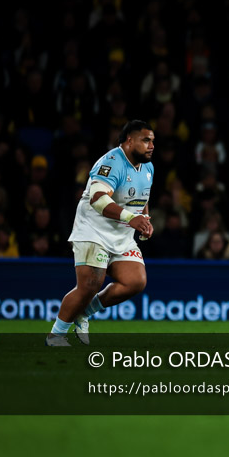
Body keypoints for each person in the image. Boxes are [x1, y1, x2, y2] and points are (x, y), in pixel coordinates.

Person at [47, 120, 156, 346]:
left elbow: (142, 198)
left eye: (153, 141)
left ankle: (85, 312)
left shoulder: (148, 167)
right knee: (90, 284)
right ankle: (56, 335)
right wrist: (131, 218)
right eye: (146, 140)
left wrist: (144, 220)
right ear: (129, 141)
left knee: (135, 281)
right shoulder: (111, 163)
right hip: (93, 230)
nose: (151, 145)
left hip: (121, 234)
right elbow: (98, 199)